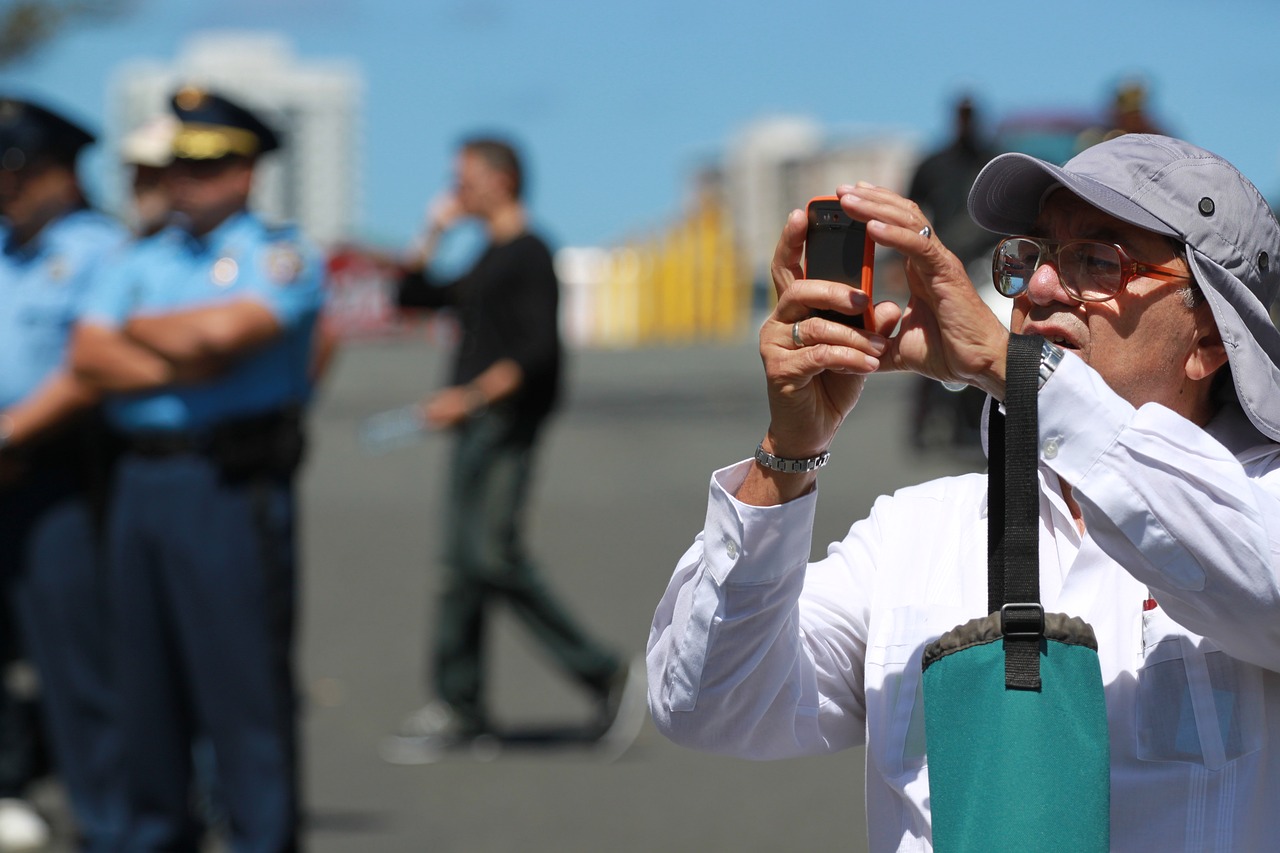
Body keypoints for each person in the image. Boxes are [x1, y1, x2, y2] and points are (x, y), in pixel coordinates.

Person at [647, 133, 1280, 851]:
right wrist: (788, 453)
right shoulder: (918, 532)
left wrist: (1018, 372)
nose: (1040, 286)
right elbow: (704, 701)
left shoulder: (1262, 505)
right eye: (1034, 255)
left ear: (1210, 338)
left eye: (1097, 261)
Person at [69, 87, 323, 851]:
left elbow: (229, 334)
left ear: (244, 171)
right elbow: (88, 355)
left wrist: (139, 333)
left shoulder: (278, 253)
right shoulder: (138, 255)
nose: (182, 180)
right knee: (144, 692)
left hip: (225, 484)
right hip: (141, 483)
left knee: (241, 689)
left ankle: (261, 837)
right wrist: (182, 353)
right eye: (174, 164)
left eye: (202, 167)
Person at [383, 136, 642, 762]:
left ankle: (605, 674)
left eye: (463, 179)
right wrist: (432, 231)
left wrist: (467, 398)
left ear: (500, 181)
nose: (454, 191)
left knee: (491, 556)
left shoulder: (529, 253)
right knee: (460, 566)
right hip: (475, 426)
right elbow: (410, 296)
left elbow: (535, 354)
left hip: (503, 426)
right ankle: (460, 707)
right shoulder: (487, 255)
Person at [0, 96, 126, 852]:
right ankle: (9, 781)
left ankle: (110, 818)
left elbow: (90, 368)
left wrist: (12, 432)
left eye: (15, 172)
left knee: (75, 657)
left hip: (57, 470)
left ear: (60, 174)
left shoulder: (97, 249)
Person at [905, 94, 999, 450]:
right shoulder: (934, 164)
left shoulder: (995, 160)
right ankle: (920, 425)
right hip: (937, 264)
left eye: (971, 115)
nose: (967, 122)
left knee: (980, 339)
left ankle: (974, 425)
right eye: (962, 115)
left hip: (985, 267)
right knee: (927, 338)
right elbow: (912, 207)